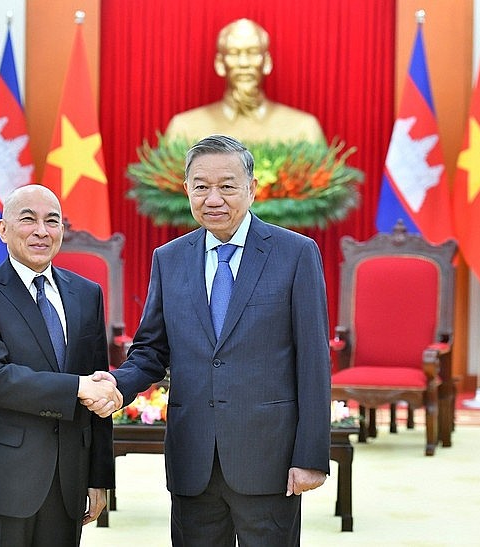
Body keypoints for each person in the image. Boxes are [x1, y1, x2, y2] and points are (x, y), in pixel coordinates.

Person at [89, 135, 331, 546]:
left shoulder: (295, 254)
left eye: (227, 186)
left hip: (268, 458)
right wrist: (116, 384)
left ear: (252, 188)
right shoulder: (169, 258)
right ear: (187, 189)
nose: (213, 198)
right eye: (201, 186)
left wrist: (310, 456)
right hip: (193, 458)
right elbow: (151, 350)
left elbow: (313, 361)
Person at [0, 184, 123, 546]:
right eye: (28, 219)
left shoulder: (86, 294)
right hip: (1, 479)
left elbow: (98, 386)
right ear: (3, 229)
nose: (41, 231)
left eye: (52, 221)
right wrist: (76, 387)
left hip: (68, 480)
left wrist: (98, 477)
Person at [164, 18, 325, 144]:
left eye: (253, 52)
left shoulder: (303, 130)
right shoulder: (184, 129)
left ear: (267, 62)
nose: (244, 63)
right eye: (234, 53)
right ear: (220, 64)